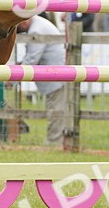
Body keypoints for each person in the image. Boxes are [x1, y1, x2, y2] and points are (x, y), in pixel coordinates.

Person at [16, 16, 69, 145]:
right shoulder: (39, 25)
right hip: (56, 75)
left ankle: (54, 141)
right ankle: (57, 140)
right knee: (57, 110)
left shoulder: (36, 30)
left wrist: (13, 77)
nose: (18, 28)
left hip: (55, 76)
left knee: (56, 111)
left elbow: (32, 58)